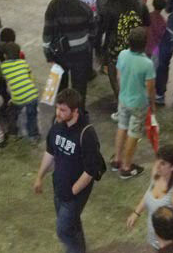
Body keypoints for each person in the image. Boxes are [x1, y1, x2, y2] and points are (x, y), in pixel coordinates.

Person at [33, 88, 105, 253]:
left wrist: (72, 191)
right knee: (71, 224)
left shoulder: (87, 134)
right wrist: (39, 177)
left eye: (63, 110)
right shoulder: (57, 124)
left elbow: (90, 171)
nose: (58, 113)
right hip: (58, 186)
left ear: (75, 111)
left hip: (75, 194)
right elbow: (50, 152)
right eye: (57, 108)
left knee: (63, 230)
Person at [128, 145, 173, 250]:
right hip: (155, 238)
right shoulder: (157, 173)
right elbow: (149, 193)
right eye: (157, 160)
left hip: (170, 245)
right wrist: (136, 212)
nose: (157, 165)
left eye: (163, 163)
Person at [42, 0, 95, 103]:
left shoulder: (53, 6)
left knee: (61, 88)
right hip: (80, 54)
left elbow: (47, 33)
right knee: (79, 88)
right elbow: (93, 32)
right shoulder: (85, 8)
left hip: (60, 54)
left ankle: (62, 110)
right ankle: (78, 111)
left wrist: (48, 55)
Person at [111, 27, 156, 179]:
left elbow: (118, 77)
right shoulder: (147, 64)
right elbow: (150, 88)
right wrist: (152, 105)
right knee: (134, 133)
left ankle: (117, 160)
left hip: (123, 99)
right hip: (138, 104)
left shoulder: (122, 55)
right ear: (145, 44)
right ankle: (126, 167)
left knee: (122, 126)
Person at [0, 41, 40, 142]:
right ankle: (33, 136)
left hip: (18, 98)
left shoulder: (3, 67)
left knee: (12, 113)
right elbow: (31, 78)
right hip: (32, 95)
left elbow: (4, 81)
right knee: (32, 116)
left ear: (5, 55)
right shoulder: (23, 63)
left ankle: (13, 133)